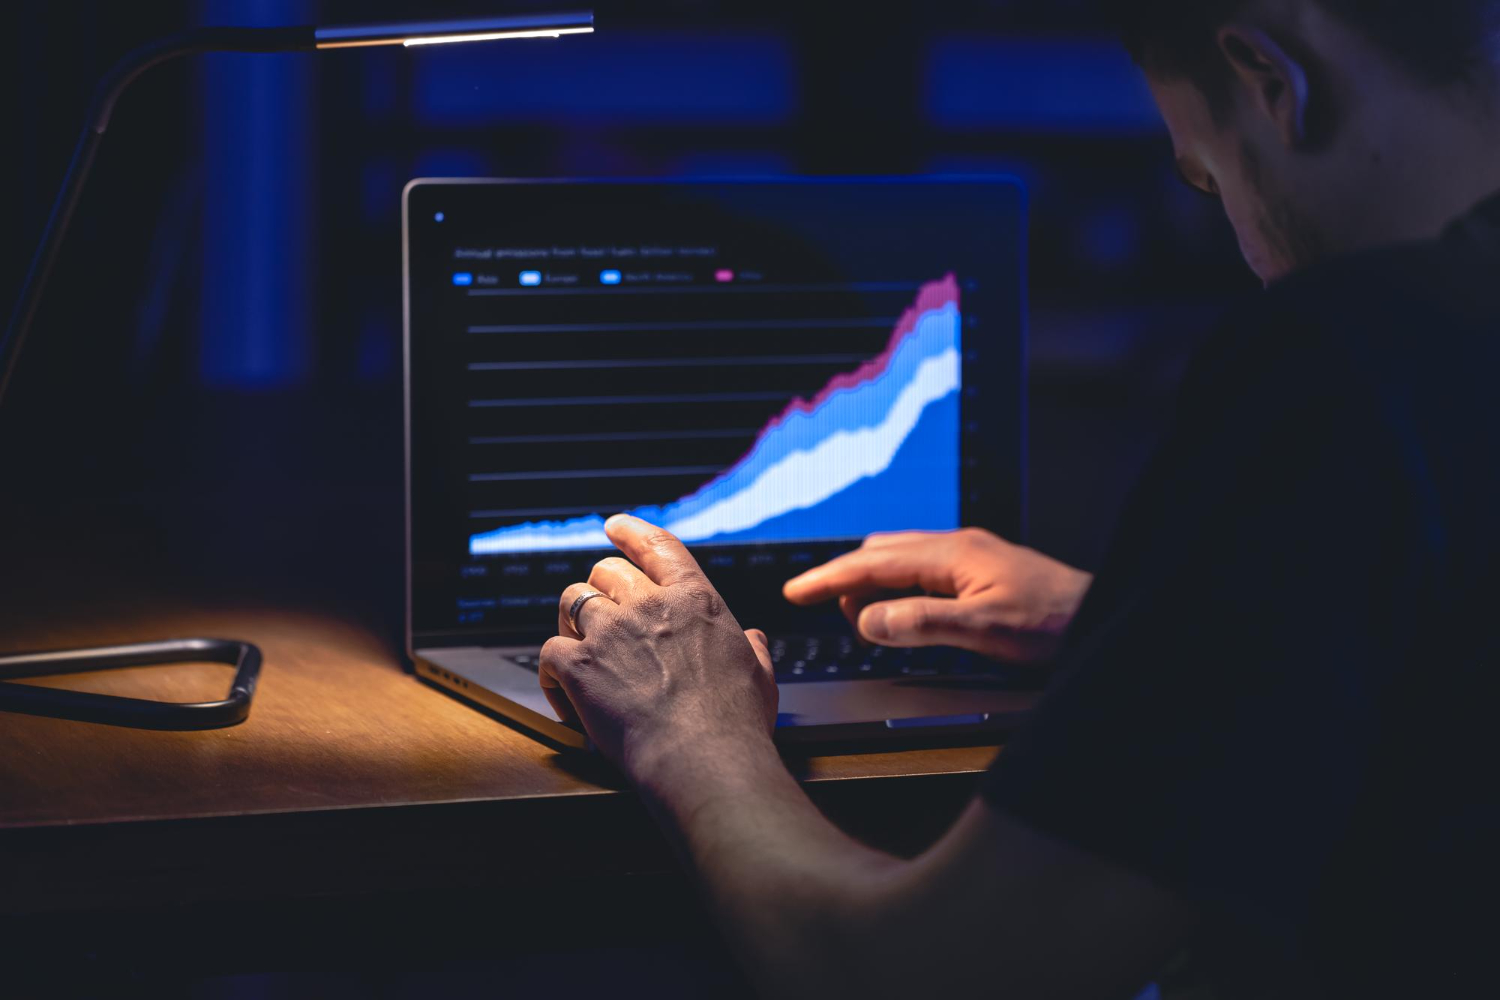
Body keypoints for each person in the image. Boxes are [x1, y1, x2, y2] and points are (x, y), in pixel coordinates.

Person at [537, 2, 1500, 996]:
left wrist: (693, 732)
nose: (1249, 256)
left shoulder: (1343, 360)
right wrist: (1147, 623)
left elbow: (923, 974)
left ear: (1270, 81)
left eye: (1207, 176)